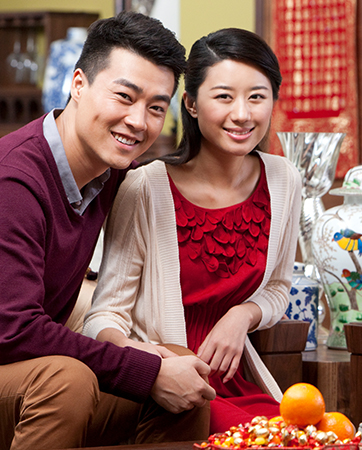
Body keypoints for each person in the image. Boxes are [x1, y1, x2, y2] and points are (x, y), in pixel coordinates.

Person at [0, 12, 216, 450]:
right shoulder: (14, 181)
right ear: (78, 85)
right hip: (17, 361)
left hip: (25, 369)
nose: (139, 121)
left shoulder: (113, 174)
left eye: (156, 107)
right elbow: (14, 330)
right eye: (124, 96)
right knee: (67, 379)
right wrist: (141, 370)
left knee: (182, 377)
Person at [82, 28, 301, 434]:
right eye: (224, 96)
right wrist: (150, 363)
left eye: (257, 96)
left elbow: (278, 288)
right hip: (168, 385)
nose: (242, 114)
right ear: (191, 104)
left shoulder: (284, 179)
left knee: (331, 437)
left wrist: (241, 316)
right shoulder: (145, 186)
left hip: (239, 382)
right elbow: (104, 316)